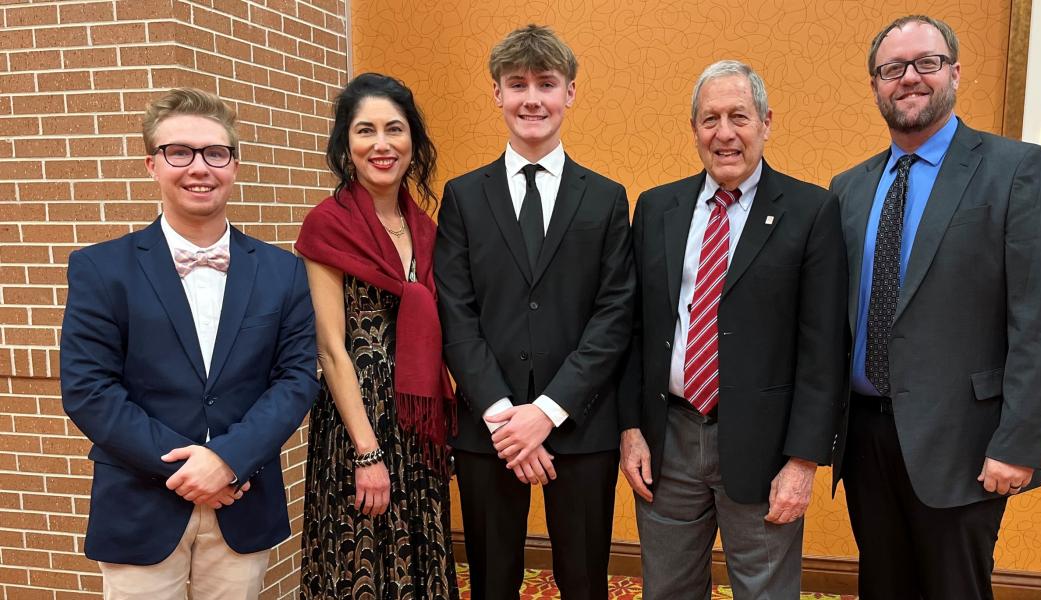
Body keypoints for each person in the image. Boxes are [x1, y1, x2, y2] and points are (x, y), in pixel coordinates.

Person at [828, 15, 1041, 600]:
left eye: (926, 63)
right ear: (875, 85)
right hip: (864, 437)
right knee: (882, 587)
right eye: (892, 69)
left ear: (954, 73)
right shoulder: (848, 187)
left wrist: (1018, 443)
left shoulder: (1013, 169)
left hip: (965, 441)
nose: (909, 78)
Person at [59, 88, 318, 599]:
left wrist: (227, 461)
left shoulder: (282, 270)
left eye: (215, 153)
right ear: (152, 164)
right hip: (139, 504)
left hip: (242, 501)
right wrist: (187, 469)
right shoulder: (99, 268)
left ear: (234, 166)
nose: (199, 167)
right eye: (180, 152)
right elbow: (89, 389)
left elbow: (293, 381)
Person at [618, 59, 848, 598]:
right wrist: (630, 429)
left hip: (765, 448)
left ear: (766, 122)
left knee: (764, 592)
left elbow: (823, 350)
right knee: (667, 590)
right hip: (667, 441)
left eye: (739, 117)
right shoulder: (656, 208)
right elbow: (634, 331)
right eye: (709, 119)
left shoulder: (812, 211)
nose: (725, 134)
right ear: (694, 129)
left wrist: (803, 461)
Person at [434, 24, 635, 600]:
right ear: (496, 93)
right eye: (516, 84)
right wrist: (505, 417)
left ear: (569, 93)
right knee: (492, 581)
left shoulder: (605, 197)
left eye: (546, 84)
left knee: (583, 580)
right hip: (487, 430)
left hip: (579, 425)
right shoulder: (463, 196)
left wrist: (546, 413)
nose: (531, 98)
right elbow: (457, 312)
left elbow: (614, 314)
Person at [295, 72, 458, 599]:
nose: (382, 144)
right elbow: (330, 348)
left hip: (417, 427)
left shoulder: (427, 229)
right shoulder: (328, 224)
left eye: (395, 129)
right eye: (365, 131)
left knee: (420, 565)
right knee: (359, 568)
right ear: (347, 143)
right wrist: (367, 452)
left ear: (414, 141)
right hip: (357, 426)